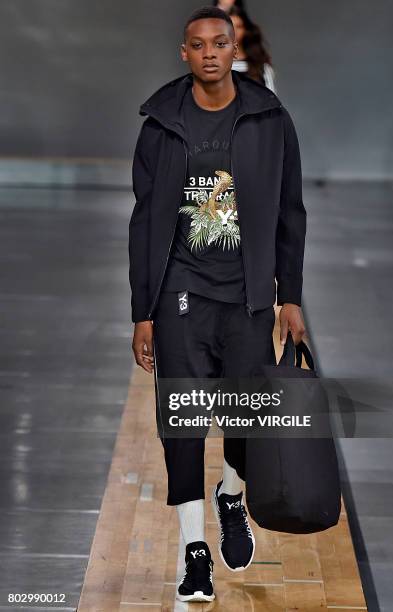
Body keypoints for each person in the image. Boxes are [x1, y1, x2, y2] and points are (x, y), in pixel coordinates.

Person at [128, 5, 306, 603]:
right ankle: (192, 551)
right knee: (181, 424)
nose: (209, 52)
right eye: (198, 44)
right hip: (182, 292)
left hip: (250, 296)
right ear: (185, 53)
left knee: (248, 419)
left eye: (220, 42)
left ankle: (233, 495)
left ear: (237, 50)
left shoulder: (269, 118)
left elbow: (291, 212)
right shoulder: (160, 123)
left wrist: (293, 296)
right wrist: (142, 310)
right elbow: (144, 221)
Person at [229, 5, 276, 91]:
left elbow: (272, 101)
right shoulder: (214, 65)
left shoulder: (261, 67)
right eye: (230, 26)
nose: (234, 31)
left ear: (246, 30)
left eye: (238, 26)